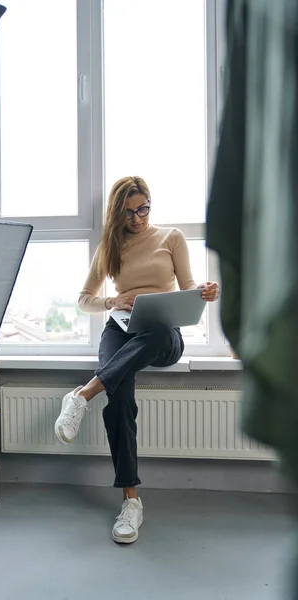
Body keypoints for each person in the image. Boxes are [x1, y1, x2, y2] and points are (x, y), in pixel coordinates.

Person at [54, 176, 220, 544]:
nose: (138, 218)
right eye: (129, 212)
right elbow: (84, 299)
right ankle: (131, 502)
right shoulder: (110, 247)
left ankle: (82, 395)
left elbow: (189, 285)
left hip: (163, 336)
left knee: (158, 332)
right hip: (121, 329)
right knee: (120, 400)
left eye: (143, 209)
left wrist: (203, 292)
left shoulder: (171, 238)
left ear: (150, 204)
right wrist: (113, 302)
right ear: (118, 213)